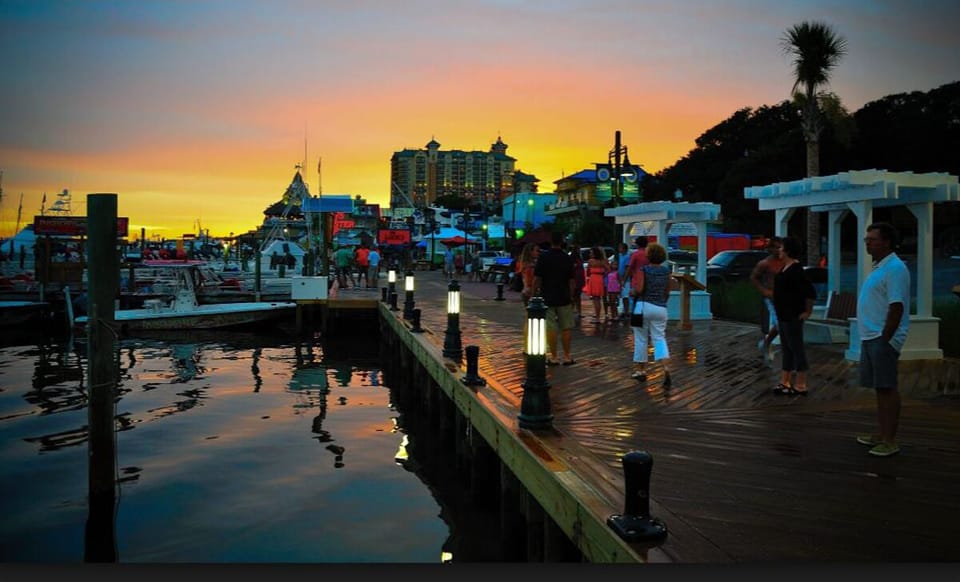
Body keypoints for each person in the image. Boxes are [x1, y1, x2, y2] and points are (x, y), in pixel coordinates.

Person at [856, 222, 910, 457]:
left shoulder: (895, 268)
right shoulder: (880, 267)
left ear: (886, 242)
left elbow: (896, 306)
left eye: (872, 239)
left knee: (887, 387)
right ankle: (882, 434)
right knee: (880, 388)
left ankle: (890, 440)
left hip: (881, 337)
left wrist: (886, 337)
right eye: (866, 239)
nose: (867, 242)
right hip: (870, 336)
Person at [771, 235, 816, 396]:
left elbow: (810, 292)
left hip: (793, 315)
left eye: (782, 247)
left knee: (796, 348)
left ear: (788, 250)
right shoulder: (785, 268)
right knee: (787, 348)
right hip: (783, 315)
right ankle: (785, 381)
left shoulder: (796, 270)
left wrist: (807, 312)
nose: (779, 250)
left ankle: (801, 384)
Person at [630, 243, 673, 384]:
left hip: (642, 307)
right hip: (660, 308)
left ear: (649, 255)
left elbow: (640, 289)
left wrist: (633, 291)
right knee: (659, 339)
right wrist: (661, 301)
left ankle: (640, 371)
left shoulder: (644, 269)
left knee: (641, 339)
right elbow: (667, 292)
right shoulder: (666, 271)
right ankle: (666, 367)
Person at [533, 231, 576, 366]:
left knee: (551, 327)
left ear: (551, 241)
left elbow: (537, 279)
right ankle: (567, 356)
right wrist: (572, 295)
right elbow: (572, 280)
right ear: (562, 241)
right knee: (566, 327)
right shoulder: (567, 258)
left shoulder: (543, 257)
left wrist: (534, 294)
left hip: (547, 296)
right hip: (564, 296)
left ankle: (554, 356)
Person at [750, 236, 785, 364]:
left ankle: (766, 342)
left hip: (785, 297)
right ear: (770, 249)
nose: (778, 250)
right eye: (775, 247)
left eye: (780, 247)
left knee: (783, 323)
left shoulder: (787, 262)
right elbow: (754, 278)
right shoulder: (765, 263)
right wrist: (764, 290)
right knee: (781, 323)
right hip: (771, 298)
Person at [517, 242, 540, 350]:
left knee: (529, 319)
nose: (538, 253)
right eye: (536, 250)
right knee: (533, 319)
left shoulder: (524, 264)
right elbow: (531, 281)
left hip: (525, 291)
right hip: (530, 292)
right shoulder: (530, 266)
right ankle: (530, 345)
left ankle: (527, 344)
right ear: (530, 252)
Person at [624, 236, 650, 317]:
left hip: (637, 281)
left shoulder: (635, 254)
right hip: (648, 280)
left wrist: (624, 280)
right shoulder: (649, 254)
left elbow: (629, 267)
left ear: (637, 244)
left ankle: (637, 321)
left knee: (636, 301)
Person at [584, 246, 609, 323]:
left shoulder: (591, 261)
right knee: (598, 298)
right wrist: (603, 274)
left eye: (591, 252)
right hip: (600, 278)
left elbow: (588, 271)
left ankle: (597, 317)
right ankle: (598, 316)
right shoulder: (602, 261)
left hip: (593, 278)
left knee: (596, 299)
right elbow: (608, 269)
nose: (590, 254)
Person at [616, 242, 632, 320]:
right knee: (621, 296)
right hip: (620, 278)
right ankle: (623, 311)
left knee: (625, 296)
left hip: (625, 279)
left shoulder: (627, 257)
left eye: (620, 248)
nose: (619, 249)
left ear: (624, 249)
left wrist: (624, 279)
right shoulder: (620, 256)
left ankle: (627, 312)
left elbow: (627, 269)